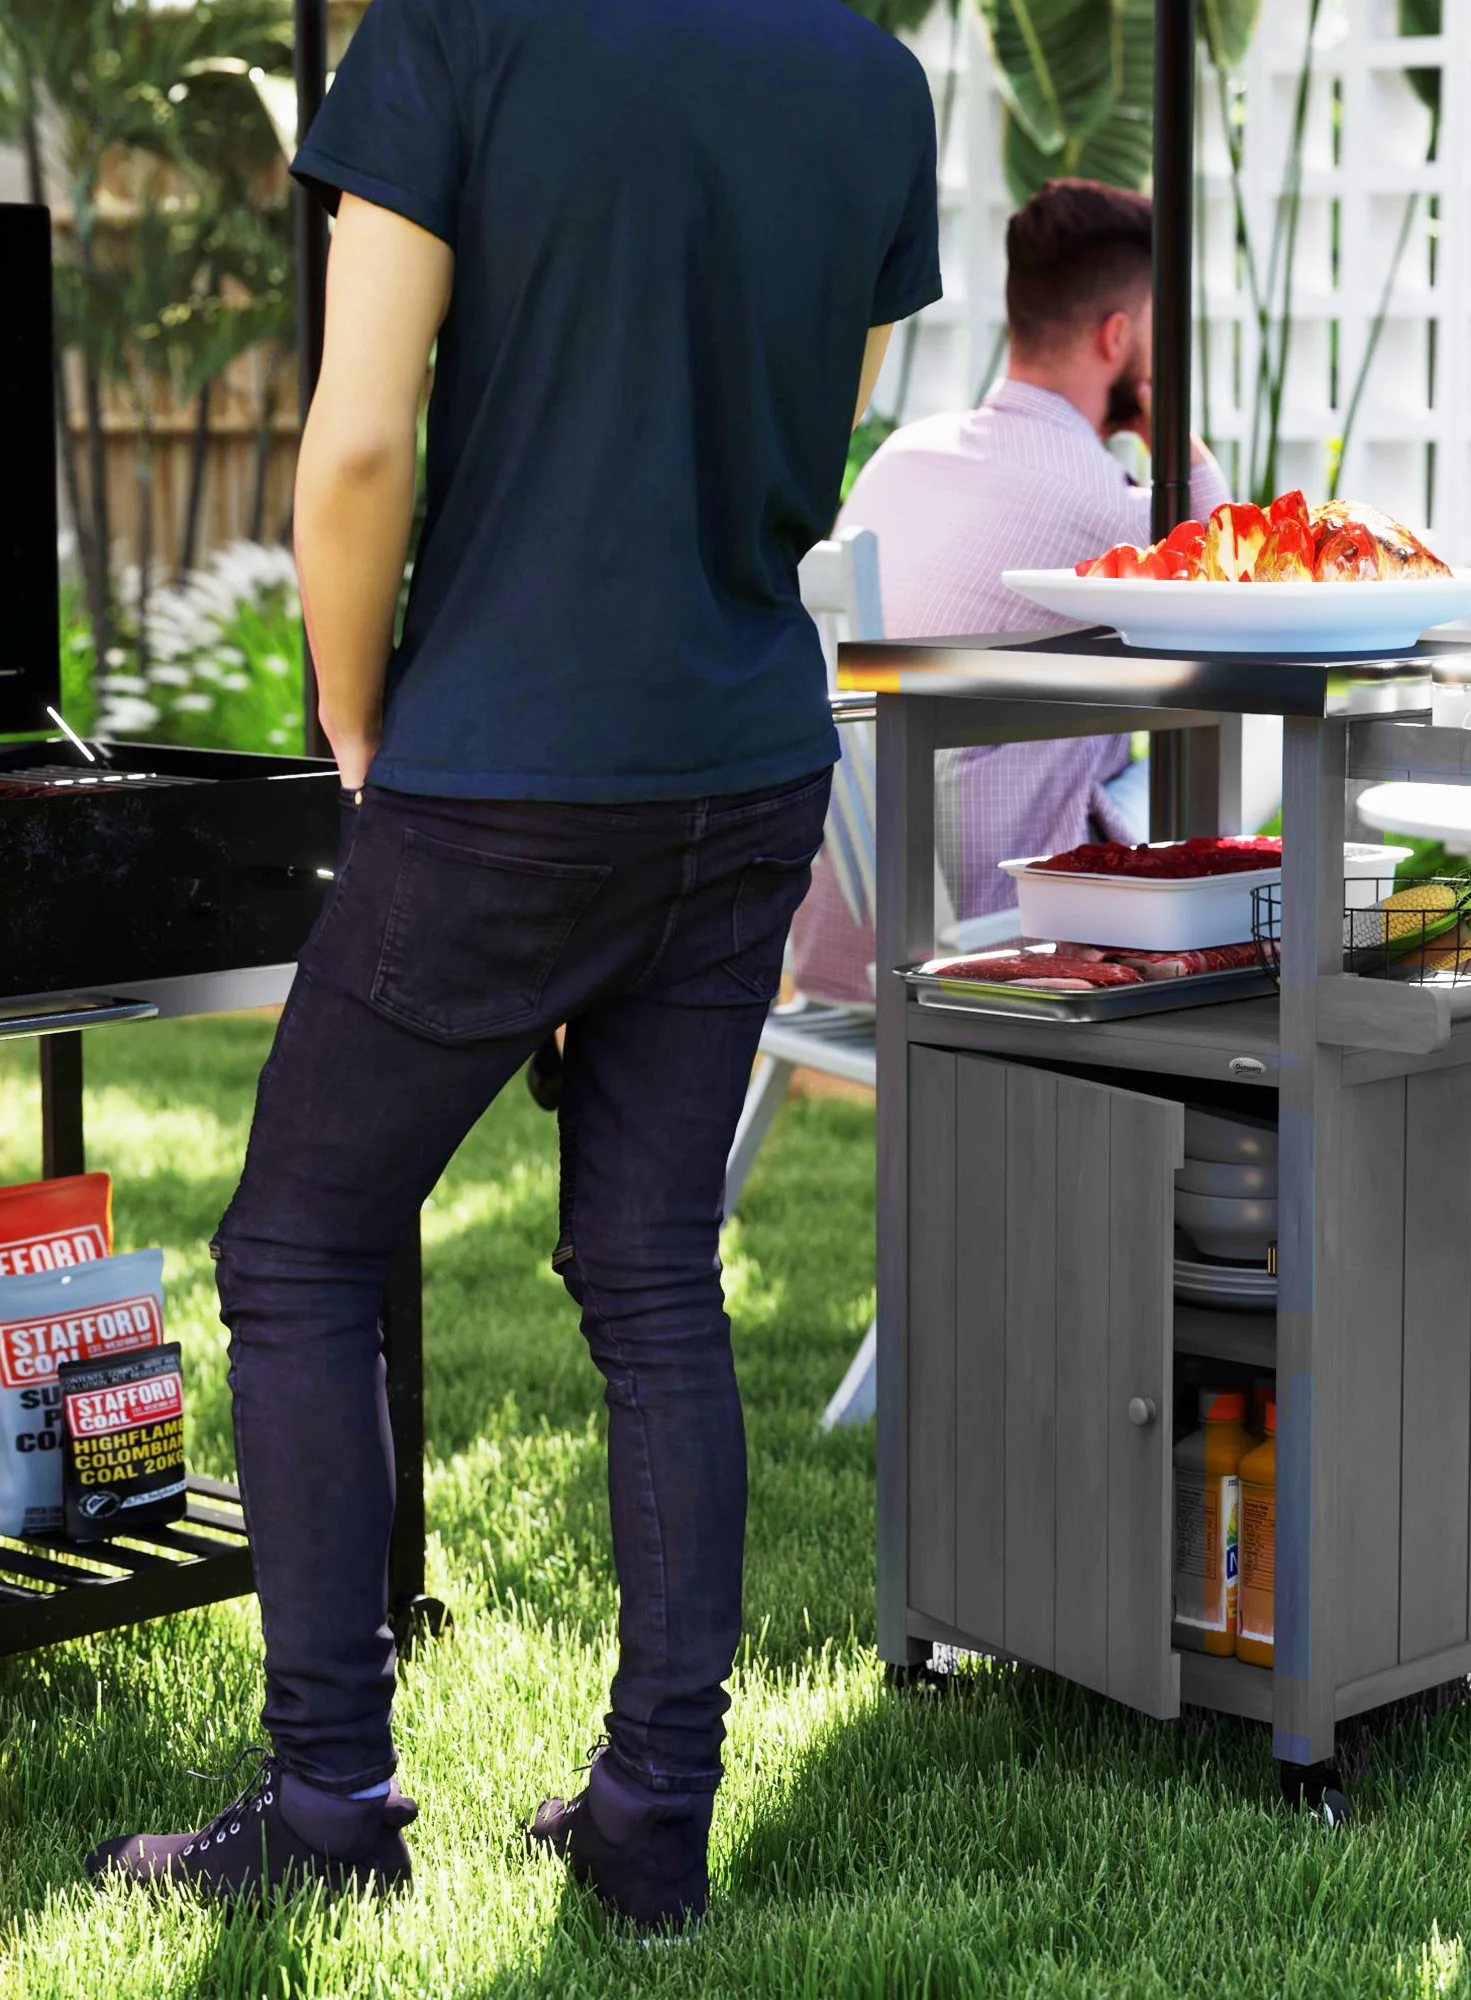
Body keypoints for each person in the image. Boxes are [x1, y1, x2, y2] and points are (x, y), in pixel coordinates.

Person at [83, 0, 940, 1930]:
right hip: (743, 761)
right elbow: (839, 399)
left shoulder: (456, 36)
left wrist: (361, 726)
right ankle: (652, 1821)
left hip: (505, 764)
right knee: (651, 1276)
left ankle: (328, 1804)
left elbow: (364, 431)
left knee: (298, 1242)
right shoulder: (872, 76)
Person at [787, 177, 1230, 1004]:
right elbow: (1226, 578)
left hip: (854, 891)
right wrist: (1176, 431)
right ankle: (1195, 994)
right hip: (988, 901)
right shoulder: (1104, 506)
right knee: (1251, 751)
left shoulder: (908, 454)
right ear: (1120, 336)